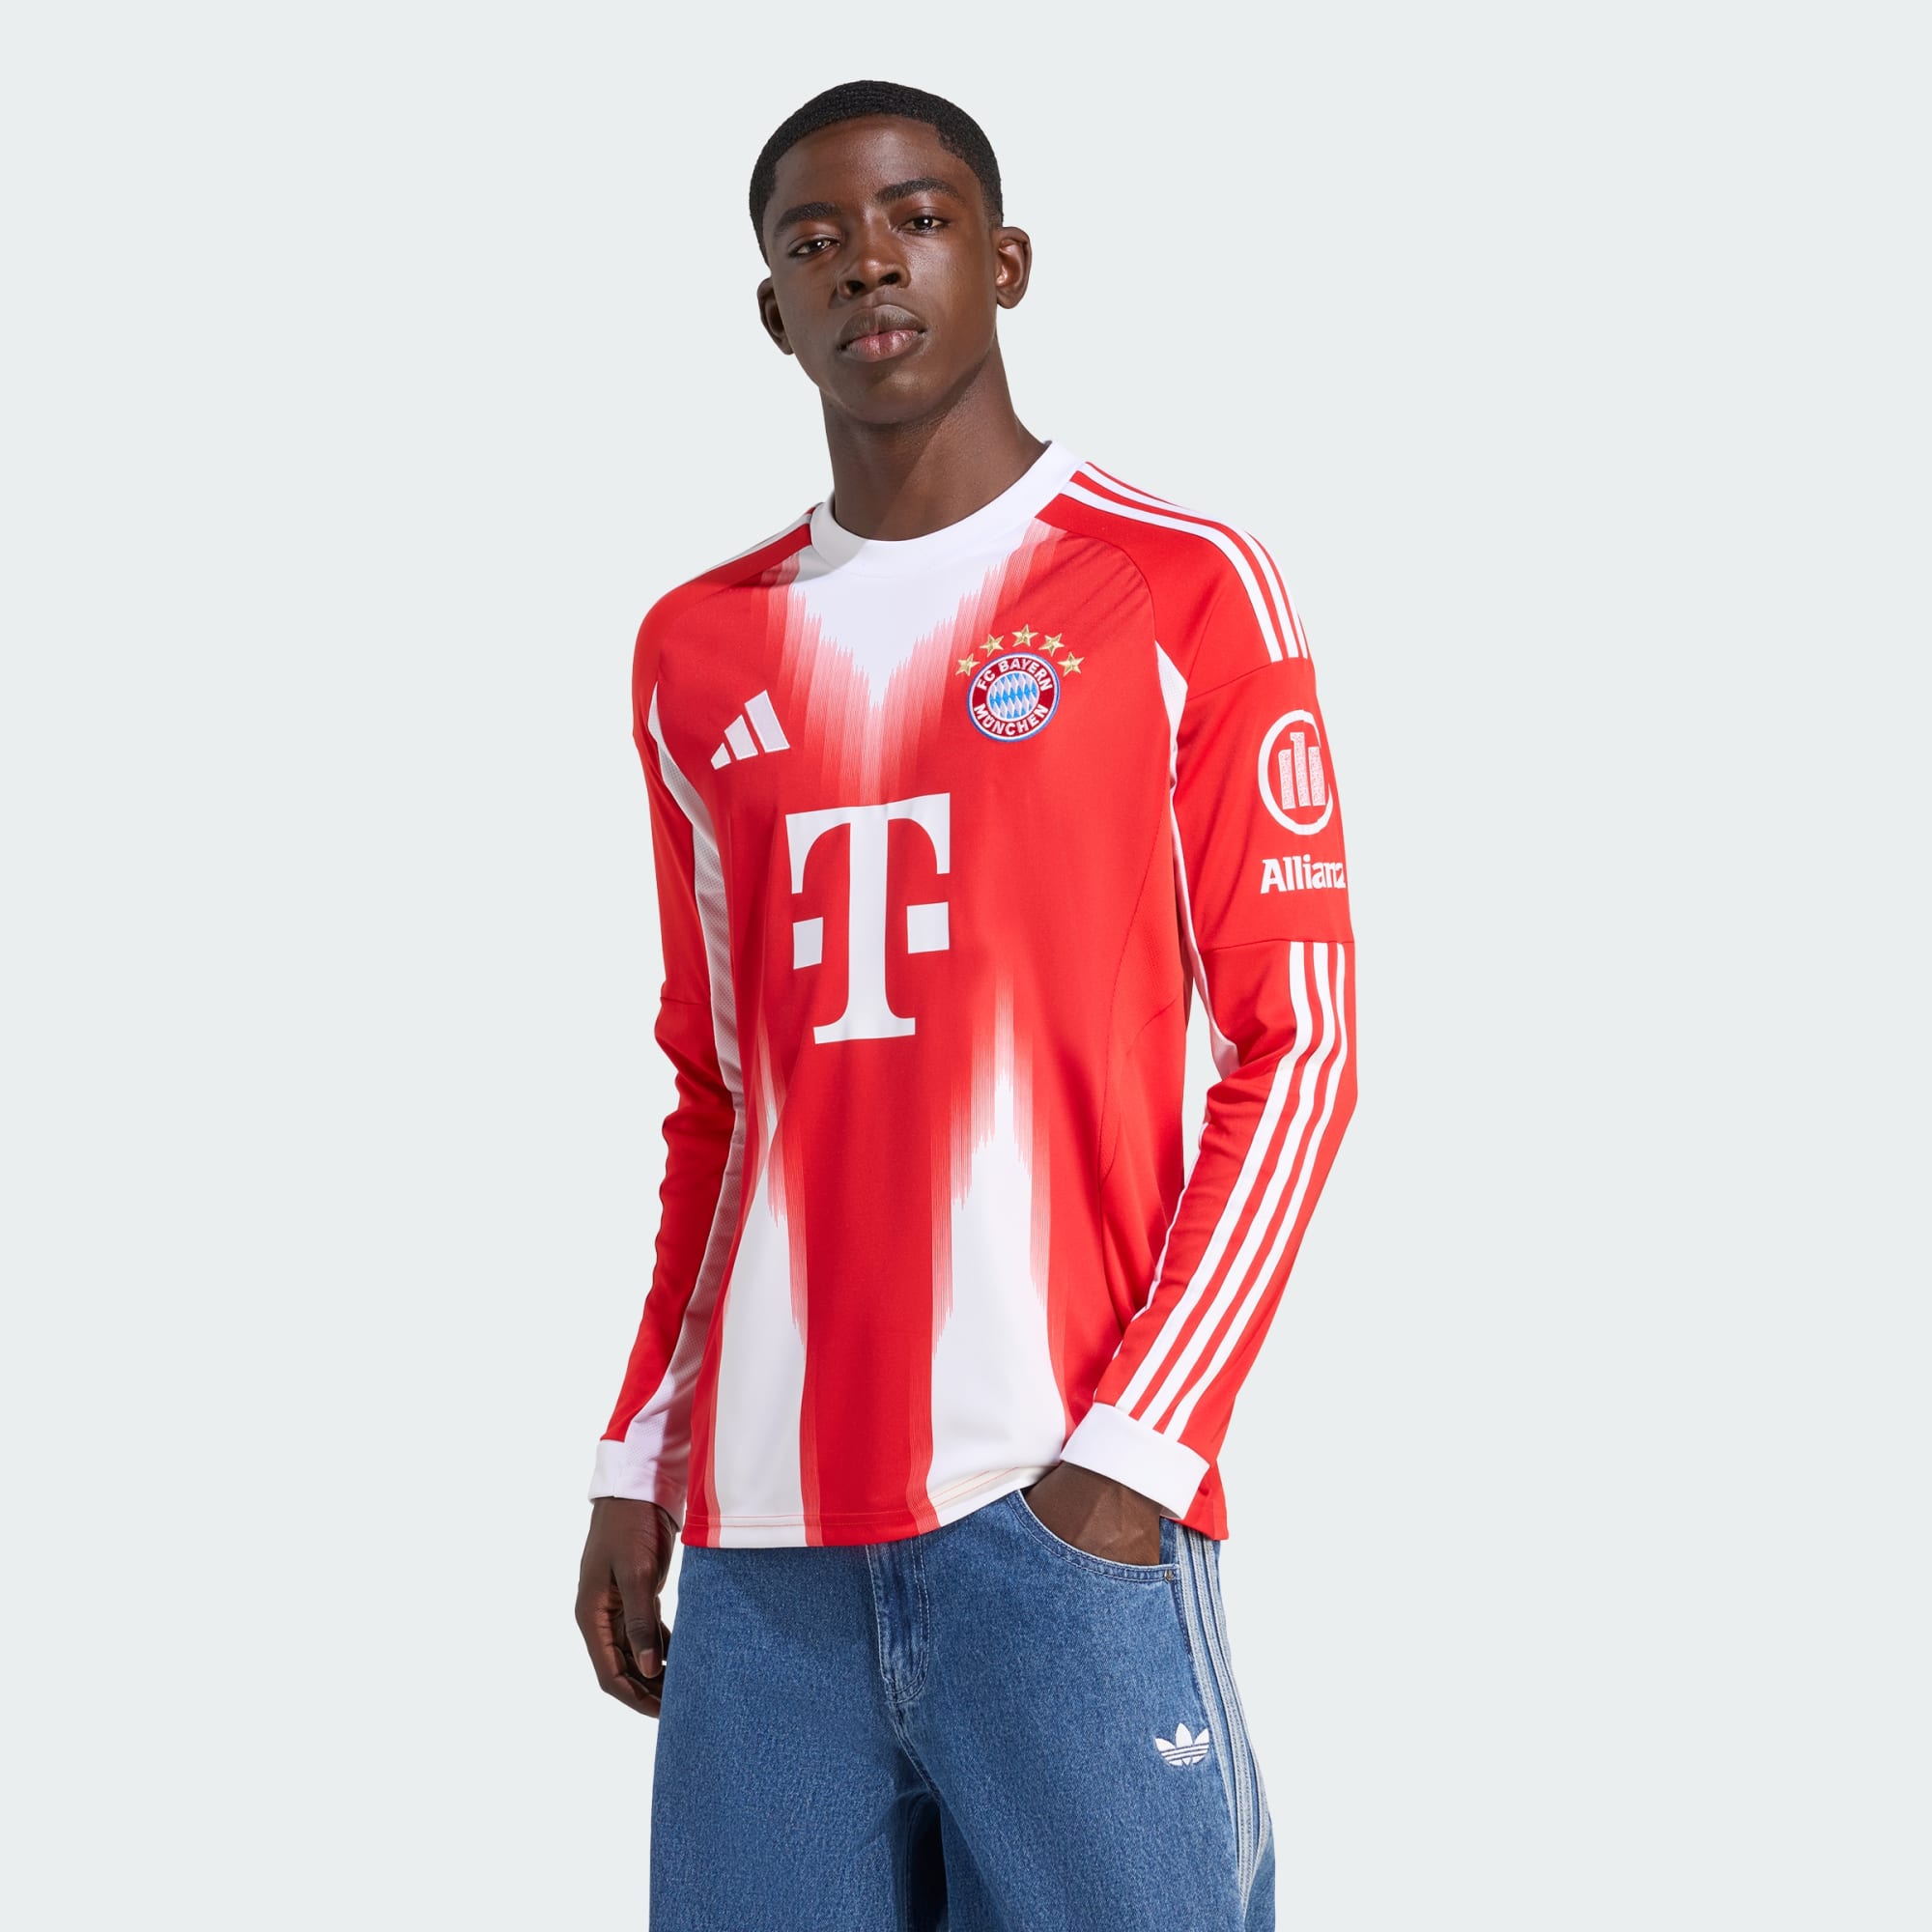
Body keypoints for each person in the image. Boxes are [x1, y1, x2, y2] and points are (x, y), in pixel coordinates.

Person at [574, 78, 1356, 1932]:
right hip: (763, 1550)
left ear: (1002, 261)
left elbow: (1298, 1043)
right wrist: (641, 1454)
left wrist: (1133, 1457)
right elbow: (718, 1092)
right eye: (815, 239)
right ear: (772, 309)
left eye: (915, 219)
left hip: (1058, 1504)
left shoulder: (1175, 587)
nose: (869, 263)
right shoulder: (699, 647)